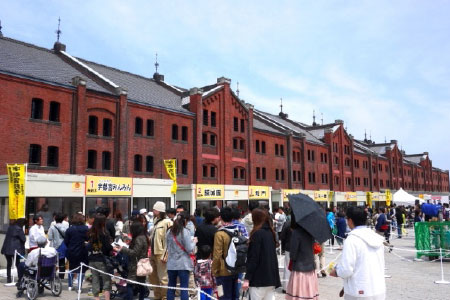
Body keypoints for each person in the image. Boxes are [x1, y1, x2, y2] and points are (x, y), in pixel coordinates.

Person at [330, 206, 386, 300]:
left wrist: (336, 271)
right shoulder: (376, 237)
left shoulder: (352, 239)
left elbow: (346, 270)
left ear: (350, 220)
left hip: (358, 291)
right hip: (378, 289)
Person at [242, 208, 281, 300]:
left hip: (258, 279)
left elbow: (253, 258)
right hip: (271, 278)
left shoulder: (257, 234)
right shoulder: (271, 233)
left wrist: (247, 278)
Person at [286, 211, 319, 300]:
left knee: (298, 295)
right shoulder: (311, 231)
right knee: (309, 294)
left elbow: (293, 254)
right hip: (310, 267)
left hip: (299, 268)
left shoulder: (296, 233)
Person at [115, 221, 149, 300]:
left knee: (130, 284)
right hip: (141, 264)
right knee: (141, 284)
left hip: (136, 264)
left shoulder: (139, 238)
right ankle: (141, 298)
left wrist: (122, 249)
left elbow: (134, 253)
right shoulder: (143, 237)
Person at [212, 207, 240, 300]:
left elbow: (217, 254)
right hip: (235, 269)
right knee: (234, 296)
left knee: (223, 296)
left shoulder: (220, 234)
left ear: (220, 217)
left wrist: (214, 270)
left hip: (223, 270)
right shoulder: (237, 231)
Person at [166, 212, 195, 300]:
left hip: (171, 263)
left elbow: (167, 245)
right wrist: (194, 242)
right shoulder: (185, 232)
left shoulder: (169, 231)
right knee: (184, 288)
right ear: (185, 221)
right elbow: (189, 248)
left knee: (171, 286)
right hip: (183, 263)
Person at [149, 201, 173, 300]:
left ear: (159, 211)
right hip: (153, 253)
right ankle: (157, 296)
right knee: (153, 277)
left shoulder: (168, 223)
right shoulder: (155, 221)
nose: (153, 211)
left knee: (163, 278)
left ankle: (164, 297)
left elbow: (170, 240)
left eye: (155, 209)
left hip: (161, 253)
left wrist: (166, 254)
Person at [87, 214, 113, 300]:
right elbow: (107, 247)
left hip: (92, 258)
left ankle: (96, 298)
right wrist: (113, 248)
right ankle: (107, 298)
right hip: (102, 259)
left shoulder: (91, 232)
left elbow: (89, 245)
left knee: (95, 279)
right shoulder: (104, 232)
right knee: (106, 280)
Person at [64, 213, 89, 291]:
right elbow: (88, 239)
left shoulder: (69, 229)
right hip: (82, 250)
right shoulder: (86, 228)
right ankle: (79, 287)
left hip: (71, 251)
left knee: (71, 267)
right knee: (81, 268)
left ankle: (70, 285)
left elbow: (66, 241)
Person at [1, 218, 26, 283]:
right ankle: (20, 278)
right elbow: (23, 239)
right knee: (18, 264)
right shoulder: (19, 229)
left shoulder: (10, 227)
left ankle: (8, 278)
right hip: (15, 250)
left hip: (7, 249)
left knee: (9, 264)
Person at [48, 213, 69, 279]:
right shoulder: (66, 227)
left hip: (54, 246)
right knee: (62, 262)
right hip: (63, 245)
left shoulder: (52, 227)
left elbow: (50, 238)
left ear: (55, 219)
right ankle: (61, 276)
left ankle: (53, 275)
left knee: (53, 261)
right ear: (62, 220)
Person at [279, 215, 291, 293]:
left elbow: (282, 237)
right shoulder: (302, 223)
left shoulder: (287, 223)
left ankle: (286, 287)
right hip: (300, 249)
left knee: (287, 267)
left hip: (289, 247)